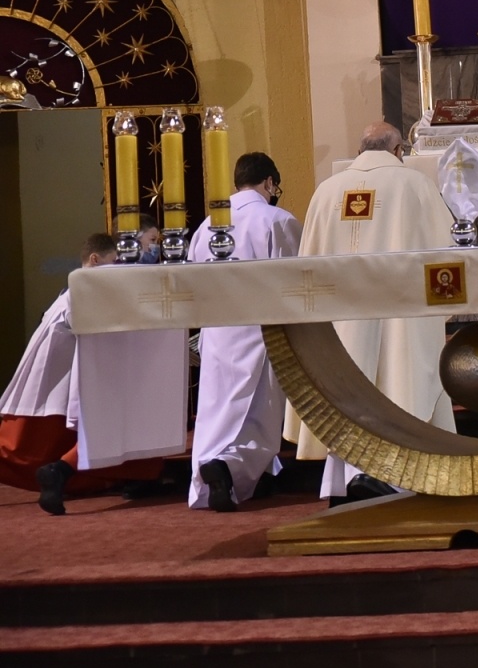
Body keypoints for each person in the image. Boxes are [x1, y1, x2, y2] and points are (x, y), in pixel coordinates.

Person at [286, 122, 456, 502]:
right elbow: (447, 252)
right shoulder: (415, 186)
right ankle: (392, 478)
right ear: (398, 150)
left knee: (347, 392)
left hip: (338, 322)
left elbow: (307, 263)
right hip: (402, 318)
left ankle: (347, 478)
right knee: (402, 386)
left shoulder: (326, 191)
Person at [0, 233, 166, 514]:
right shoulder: (87, 289)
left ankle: (115, 475)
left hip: (71, 374)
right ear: (95, 260)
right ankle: (71, 472)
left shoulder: (75, 290)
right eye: (115, 263)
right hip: (66, 376)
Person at [186, 152, 301, 511]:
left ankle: (217, 470)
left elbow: (193, 280)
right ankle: (229, 469)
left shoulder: (207, 226)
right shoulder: (276, 219)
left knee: (218, 411)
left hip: (219, 334)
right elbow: (296, 277)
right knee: (260, 416)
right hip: (262, 332)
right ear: (269, 182)